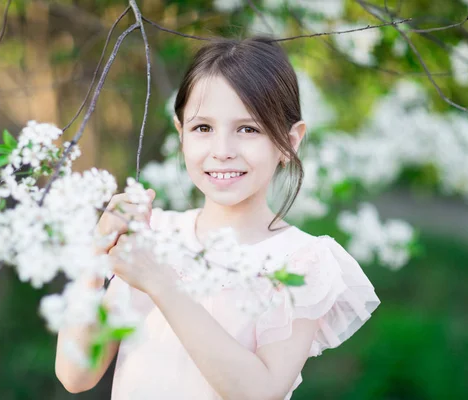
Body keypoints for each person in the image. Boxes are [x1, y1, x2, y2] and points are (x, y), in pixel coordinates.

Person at [55, 35, 381, 400]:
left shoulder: (301, 261)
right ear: (181, 134)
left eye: (248, 129)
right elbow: (76, 373)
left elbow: (261, 392)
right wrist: (95, 258)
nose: (222, 151)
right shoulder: (155, 235)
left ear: (290, 142)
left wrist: (162, 283)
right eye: (203, 128)